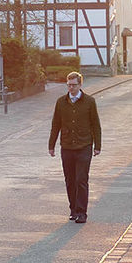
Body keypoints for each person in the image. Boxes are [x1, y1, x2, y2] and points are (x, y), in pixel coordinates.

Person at [48, 71, 101, 224]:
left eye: (73, 85)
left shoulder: (89, 101)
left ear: (80, 85)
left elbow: (95, 125)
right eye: (68, 85)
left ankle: (82, 212)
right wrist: (51, 145)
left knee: (81, 179)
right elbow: (55, 125)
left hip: (84, 146)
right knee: (70, 180)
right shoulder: (61, 102)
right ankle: (73, 209)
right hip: (67, 147)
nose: (70, 88)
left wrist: (97, 145)